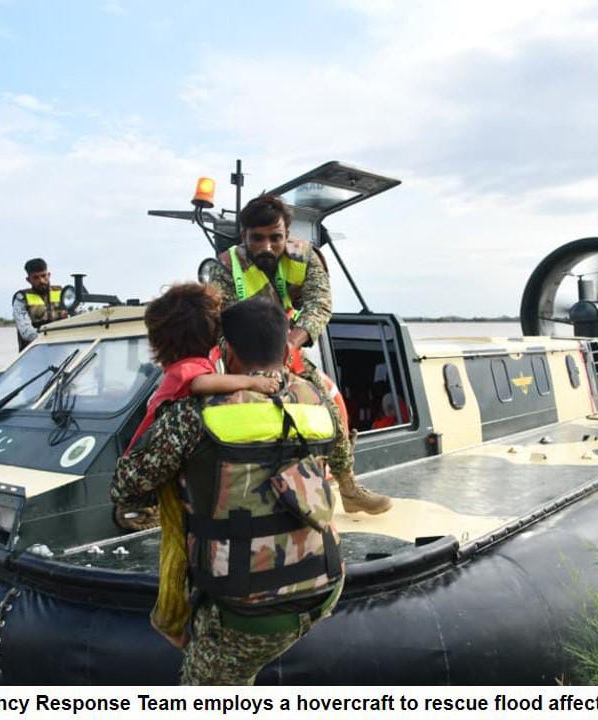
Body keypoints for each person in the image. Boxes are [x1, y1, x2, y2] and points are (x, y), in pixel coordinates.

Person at [113, 297, 345, 685]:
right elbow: (340, 458)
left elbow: (126, 485)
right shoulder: (318, 398)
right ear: (284, 350)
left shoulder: (195, 413)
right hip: (325, 582)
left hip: (249, 606)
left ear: (226, 352)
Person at [114, 282, 280, 649]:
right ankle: (170, 619)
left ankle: (178, 614)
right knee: (175, 544)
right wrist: (252, 382)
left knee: (180, 542)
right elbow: (202, 383)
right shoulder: (191, 370)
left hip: (157, 461)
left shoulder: (179, 367)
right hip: (155, 466)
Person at [208, 194, 392, 514]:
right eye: (257, 238)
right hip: (237, 355)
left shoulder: (306, 258)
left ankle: (347, 486)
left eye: (275, 238)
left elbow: (320, 304)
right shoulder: (225, 267)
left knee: (329, 409)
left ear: (288, 234)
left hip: (283, 349)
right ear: (243, 236)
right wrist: (248, 369)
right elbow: (218, 321)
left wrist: (291, 343)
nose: (267, 246)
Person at [12, 258, 70, 351]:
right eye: (36, 277)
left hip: (64, 351)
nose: (41, 280)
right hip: (34, 353)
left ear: (49, 275)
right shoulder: (21, 298)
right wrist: (54, 335)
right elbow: (26, 333)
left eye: (44, 276)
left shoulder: (64, 293)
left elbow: (80, 316)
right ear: (28, 280)